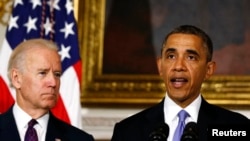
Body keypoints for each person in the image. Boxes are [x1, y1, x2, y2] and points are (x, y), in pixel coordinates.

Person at [111, 25, 250, 141]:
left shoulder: (236, 127)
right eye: (171, 56)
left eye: (191, 57)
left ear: (208, 70)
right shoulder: (127, 131)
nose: (178, 66)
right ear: (160, 66)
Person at [0, 39, 94, 141]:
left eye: (57, 74)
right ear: (16, 78)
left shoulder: (80, 139)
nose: (53, 83)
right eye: (42, 73)